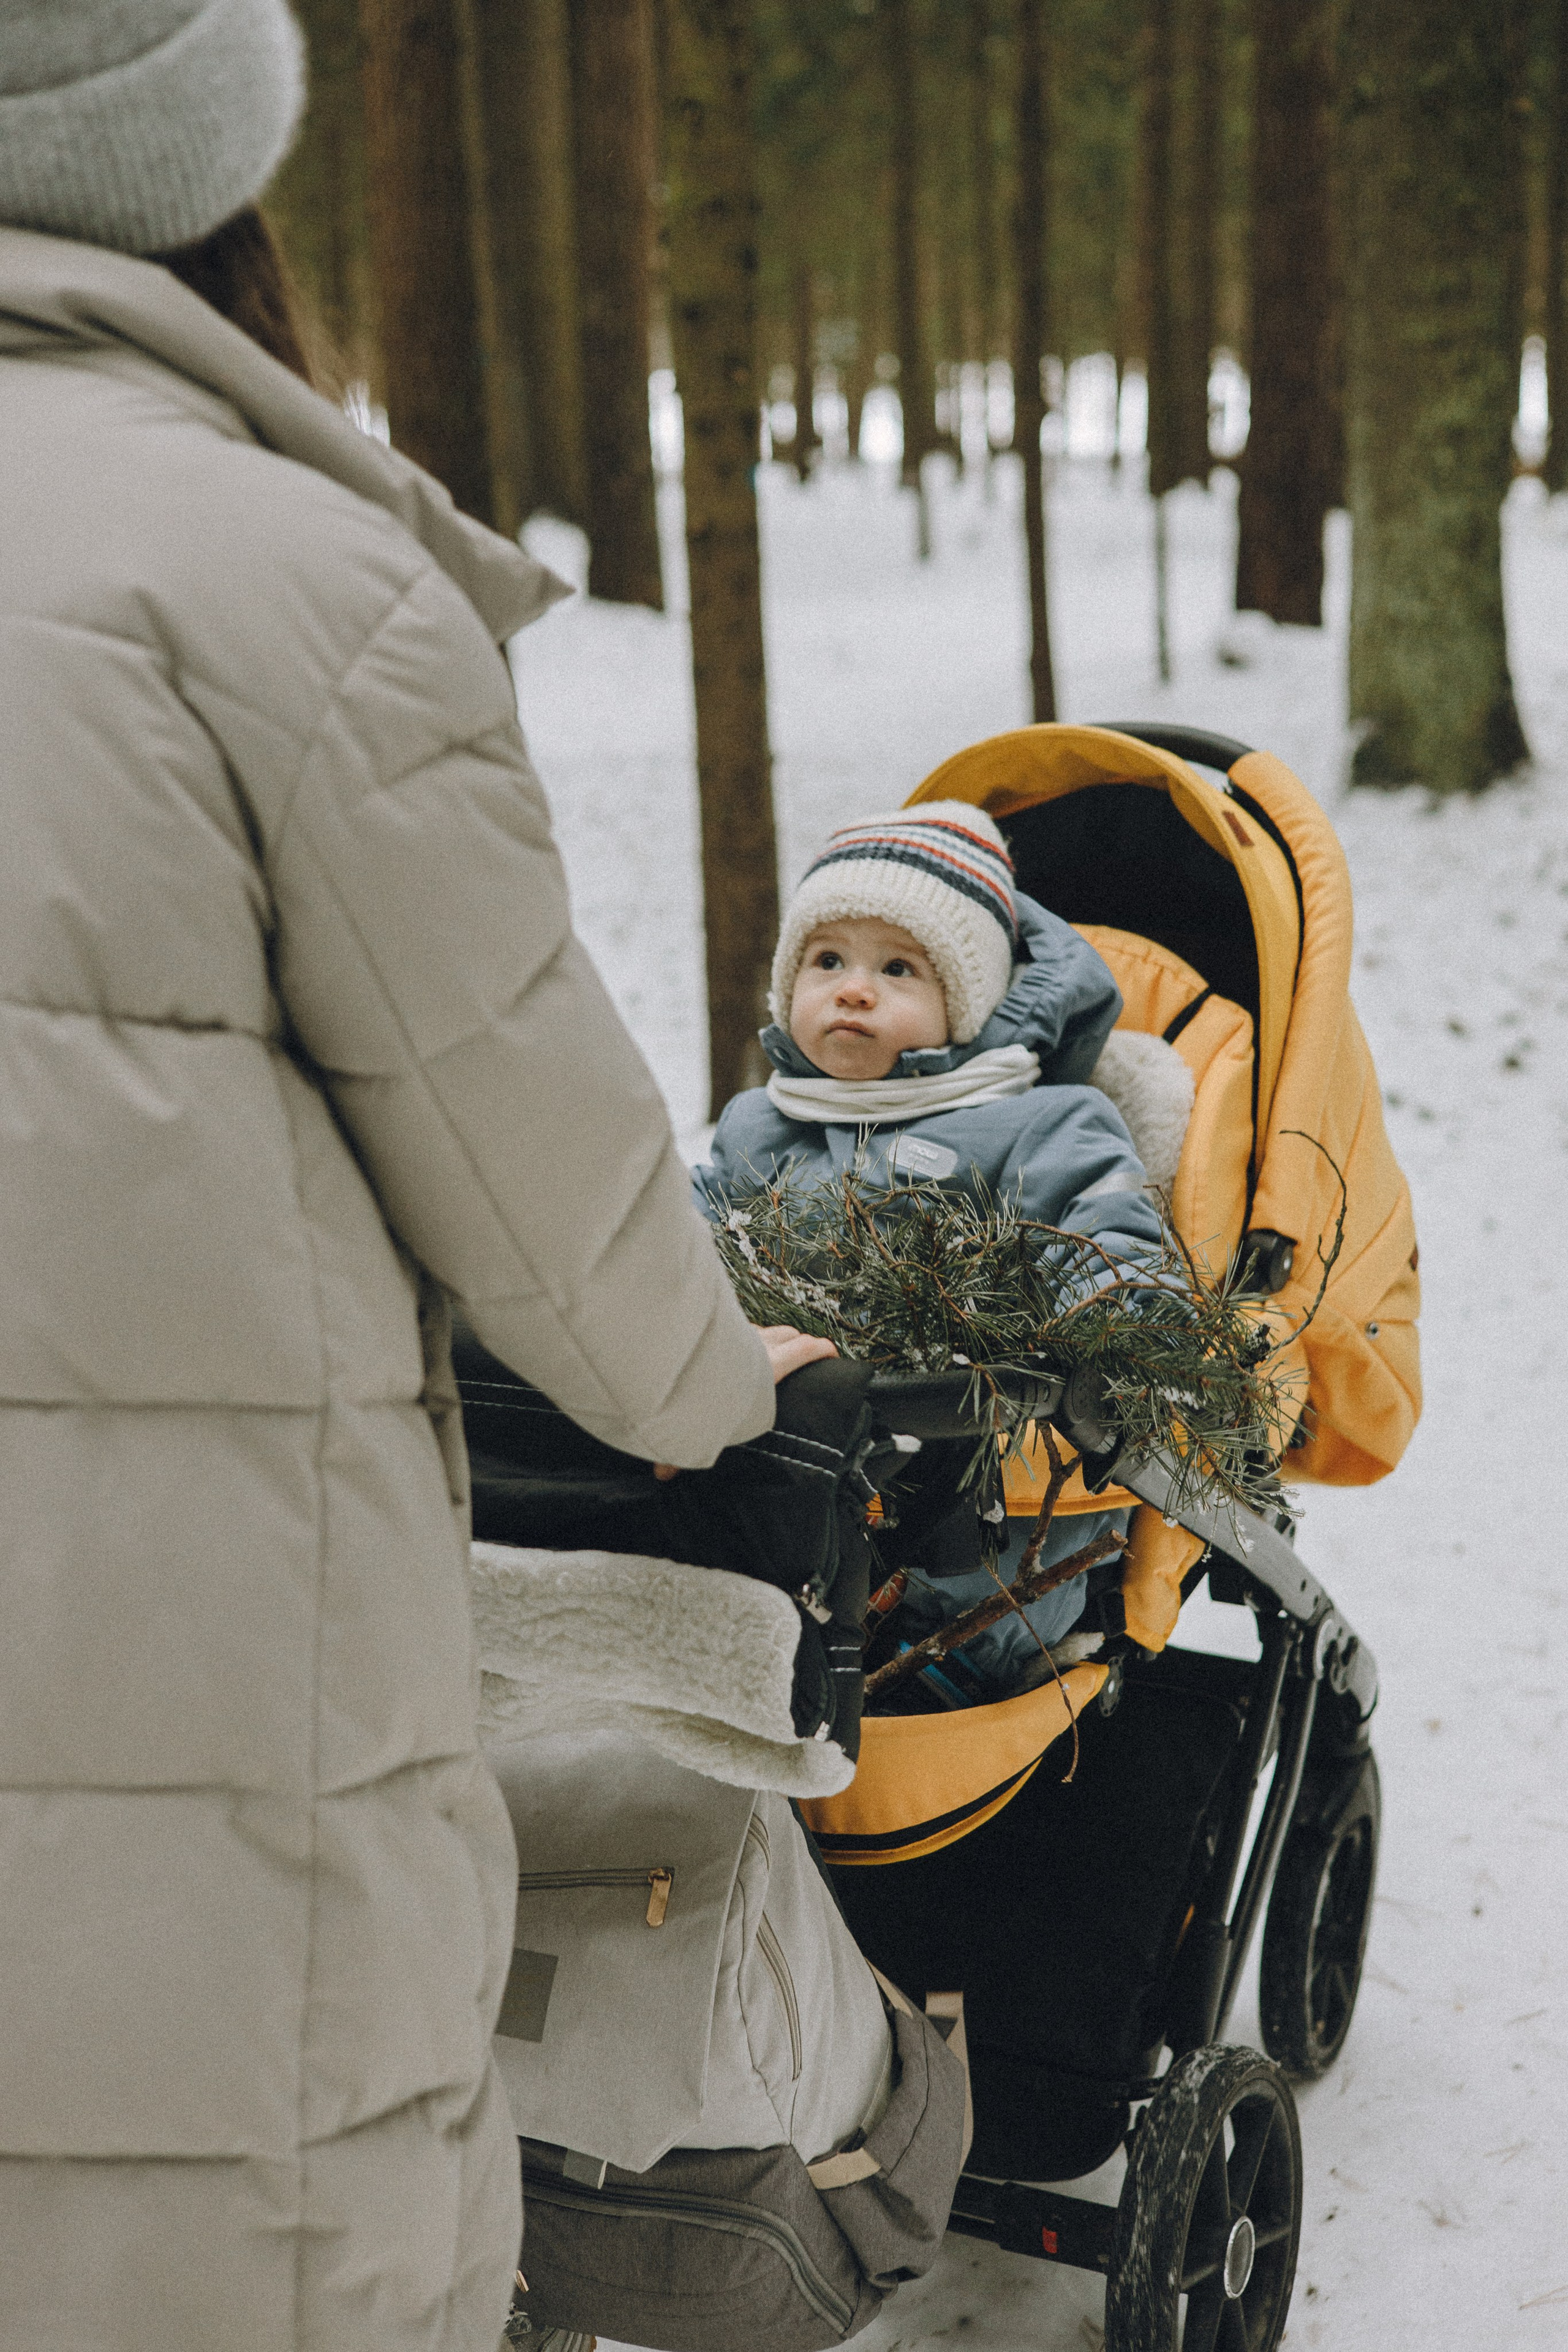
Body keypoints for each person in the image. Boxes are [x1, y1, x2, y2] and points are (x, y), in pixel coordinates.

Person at [0, 4, 827, 2348]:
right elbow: (542, 1177)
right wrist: (713, 1376)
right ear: (206, 166)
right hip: (177, 1650)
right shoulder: (287, 583)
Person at [693, 802, 1167, 1701]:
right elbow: (693, 1228)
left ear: (970, 1003)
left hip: (976, 1538)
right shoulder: (763, 1123)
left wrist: (1096, 1321)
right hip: (788, 1502)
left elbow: (1107, 1237)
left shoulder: (1040, 1123)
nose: (853, 989)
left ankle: (946, 1661)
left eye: (898, 968)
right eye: (825, 960)